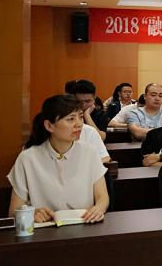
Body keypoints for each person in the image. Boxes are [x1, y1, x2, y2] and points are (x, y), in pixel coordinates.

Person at [7, 94, 109, 223]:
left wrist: (99, 208)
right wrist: (32, 214)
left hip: (84, 224)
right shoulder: (27, 158)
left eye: (80, 117)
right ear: (49, 126)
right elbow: (13, 212)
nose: (79, 124)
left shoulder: (90, 153)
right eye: (71, 119)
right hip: (45, 228)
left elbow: (102, 197)